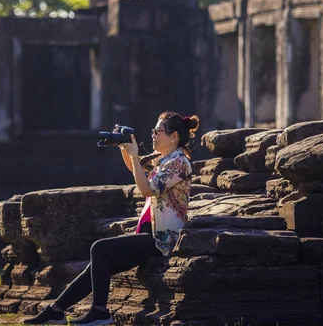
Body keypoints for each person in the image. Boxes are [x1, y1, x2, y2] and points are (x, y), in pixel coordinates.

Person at [23, 111, 199, 326]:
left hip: (163, 238)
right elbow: (136, 171)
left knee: (100, 249)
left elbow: (146, 189)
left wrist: (134, 156)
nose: (153, 135)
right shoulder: (162, 160)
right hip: (147, 234)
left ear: (173, 137)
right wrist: (125, 147)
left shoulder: (179, 163)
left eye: (158, 131)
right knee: (98, 265)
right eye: (153, 131)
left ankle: (100, 312)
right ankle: (56, 311)